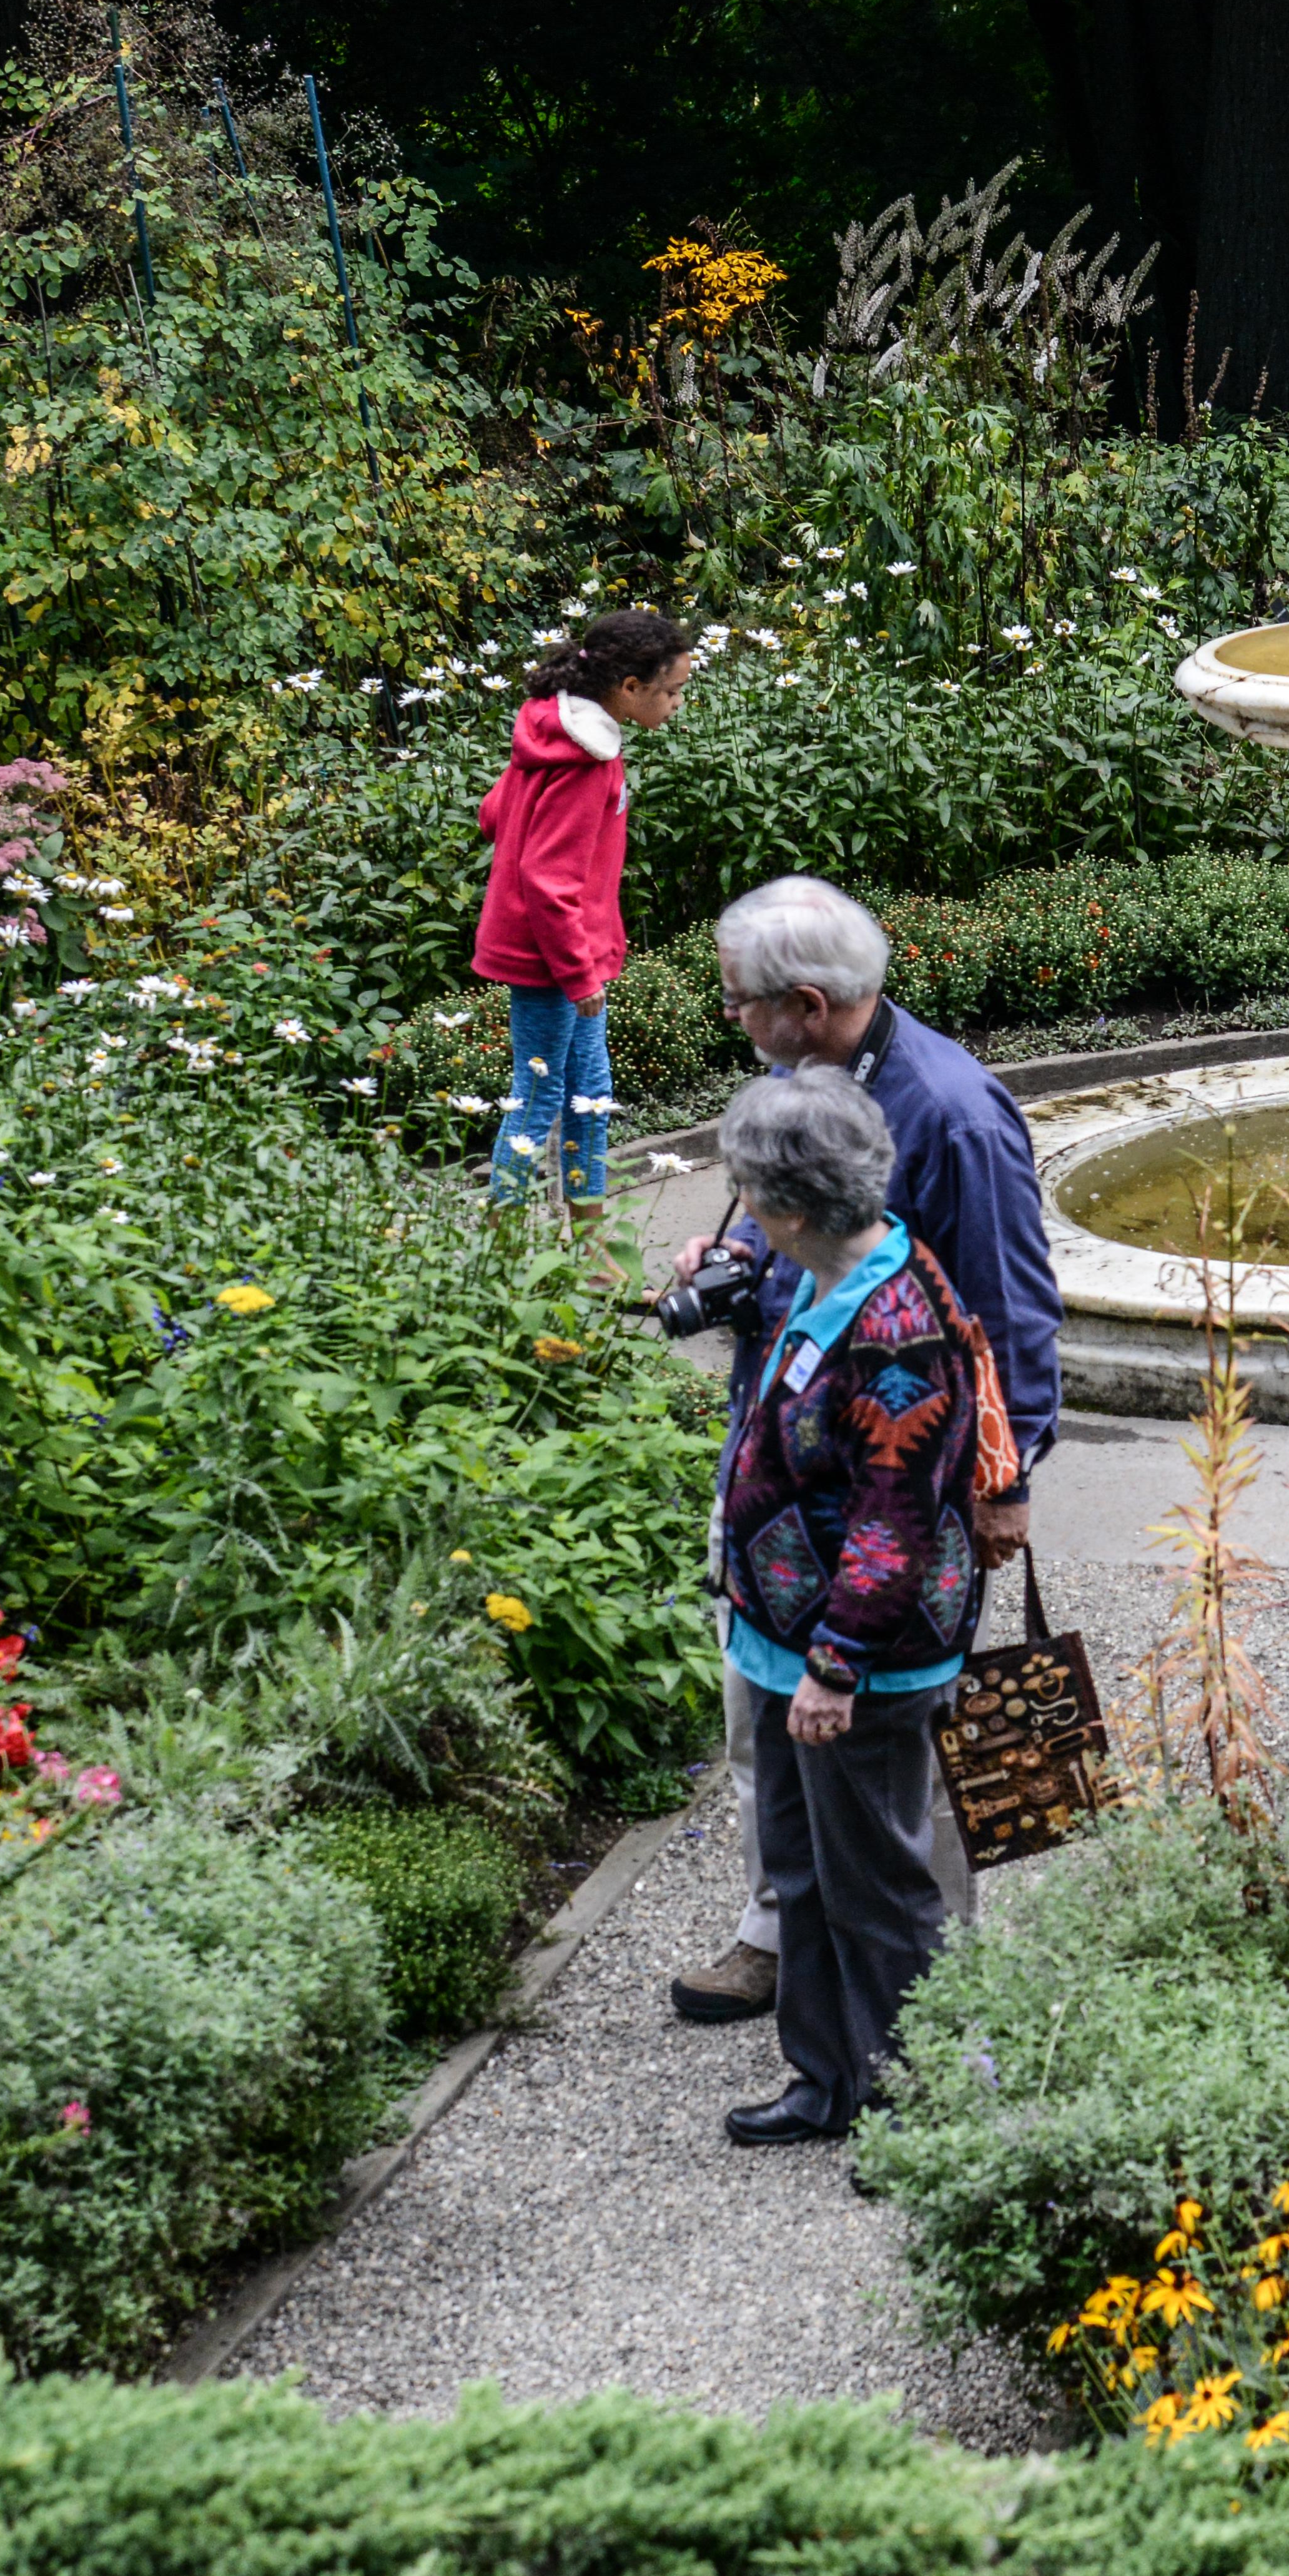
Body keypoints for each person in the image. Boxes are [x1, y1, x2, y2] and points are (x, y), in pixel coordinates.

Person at [666, 873, 1057, 2028]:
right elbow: (800, 1236)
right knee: (764, 1720)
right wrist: (729, 1255)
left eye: (739, 1002)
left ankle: (930, 1987)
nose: (732, 1020)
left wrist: (1008, 1477)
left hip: (894, 1487)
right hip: (787, 1473)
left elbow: (1013, 1306)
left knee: (906, 1749)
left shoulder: (954, 1109)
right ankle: (784, 1935)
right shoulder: (804, 1074)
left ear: (803, 999)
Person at [704, 1066, 989, 2145]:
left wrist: (834, 1662)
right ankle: (828, 2082)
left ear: (791, 1205)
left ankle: (926, 2104)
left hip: (858, 1659)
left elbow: (895, 1512)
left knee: (882, 1890)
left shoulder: (897, 1321)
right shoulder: (831, 1277)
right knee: (806, 1871)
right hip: (787, 1643)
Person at [473, 609, 698, 1240]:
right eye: (673, 690)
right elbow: (549, 882)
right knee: (540, 1098)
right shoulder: (585, 760)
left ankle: (594, 1250)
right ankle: (503, 1252)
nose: (678, 702)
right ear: (629, 687)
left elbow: (496, 815)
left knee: (590, 1093)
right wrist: (578, 974)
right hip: (553, 962)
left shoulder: (555, 736)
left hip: (571, 954)